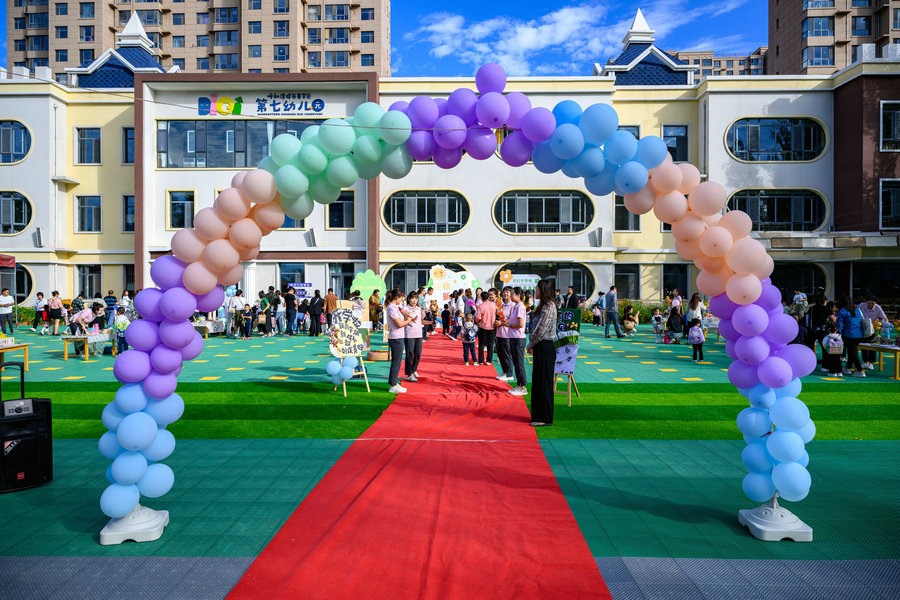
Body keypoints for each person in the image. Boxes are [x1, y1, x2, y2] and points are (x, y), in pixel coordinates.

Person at [527, 279, 558, 427]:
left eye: (537, 288)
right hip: (540, 346)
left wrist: (530, 344)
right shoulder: (543, 305)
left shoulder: (549, 306)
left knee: (544, 383)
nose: (536, 291)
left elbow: (541, 328)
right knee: (539, 382)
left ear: (543, 289)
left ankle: (545, 417)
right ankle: (538, 414)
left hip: (545, 346)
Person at [385, 289, 412, 393]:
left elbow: (402, 318)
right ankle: (393, 385)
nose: (402, 300)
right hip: (395, 338)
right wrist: (408, 320)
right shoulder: (392, 308)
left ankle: (393, 382)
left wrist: (407, 316)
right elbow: (399, 324)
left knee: (397, 361)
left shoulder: (395, 307)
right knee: (396, 362)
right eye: (401, 298)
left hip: (398, 337)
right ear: (397, 297)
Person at [505, 287, 528, 396]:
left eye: (513, 294)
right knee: (516, 363)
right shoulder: (516, 306)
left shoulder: (520, 307)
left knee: (519, 363)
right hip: (514, 337)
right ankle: (519, 385)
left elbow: (521, 324)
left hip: (518, 338)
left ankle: (522, 387)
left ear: (518, 295)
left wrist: (510, 325)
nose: (511, 295)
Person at [836, 296, 866, 378]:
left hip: (849, 335)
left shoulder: (842, 311)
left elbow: (839, 325)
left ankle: (860, 370)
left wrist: (838, 335)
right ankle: (848, 367)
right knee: (851, 351)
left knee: (853, 353)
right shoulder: (858, 310)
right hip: (860, 334)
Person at [403, 291, 428, 382]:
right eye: (412, 298)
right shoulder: (405, 308)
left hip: (418, 334)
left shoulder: (419, 308)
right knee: (409, 354)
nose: (414, 300)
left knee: (418, 354)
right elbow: (404, 319)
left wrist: (429, 322)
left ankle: (413, 370)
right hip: (409, 334)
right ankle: (409, 373)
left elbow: (421, 320)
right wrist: (409, 318)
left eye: (416, 298)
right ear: (409, 299)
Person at [859, 296, 888, 369]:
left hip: (873, 329)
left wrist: (882, 327)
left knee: (873, 345)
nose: (871, 305)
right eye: (869, 303)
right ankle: (865, 361)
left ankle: (871, 363)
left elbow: (885, 319)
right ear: (866, 302)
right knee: (864, 345)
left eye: (873, 303)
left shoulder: (878, 307)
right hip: (863, 328)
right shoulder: (861, 305)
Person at [495, 287, 513, 382]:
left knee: (506, 354)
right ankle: (504, 371)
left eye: (507, 292)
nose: (505, 293)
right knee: (500, 353)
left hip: (507, 333)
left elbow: (512, 320)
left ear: (511, 294)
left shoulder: (512, 305)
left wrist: (501, 323)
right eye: (504, 292)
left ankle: (509, 374)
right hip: (499, 333)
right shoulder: (501, 305)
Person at [475, 291, 497, 366]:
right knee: (490, 344)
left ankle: (481, 360)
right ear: (488, 297)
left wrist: (476, 320)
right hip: (492, 327)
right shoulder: (494, 304)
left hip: (483, 327)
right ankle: (489, 360)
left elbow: (478, 318)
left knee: (481, 344)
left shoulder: (481, 306)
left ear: (481, 298)